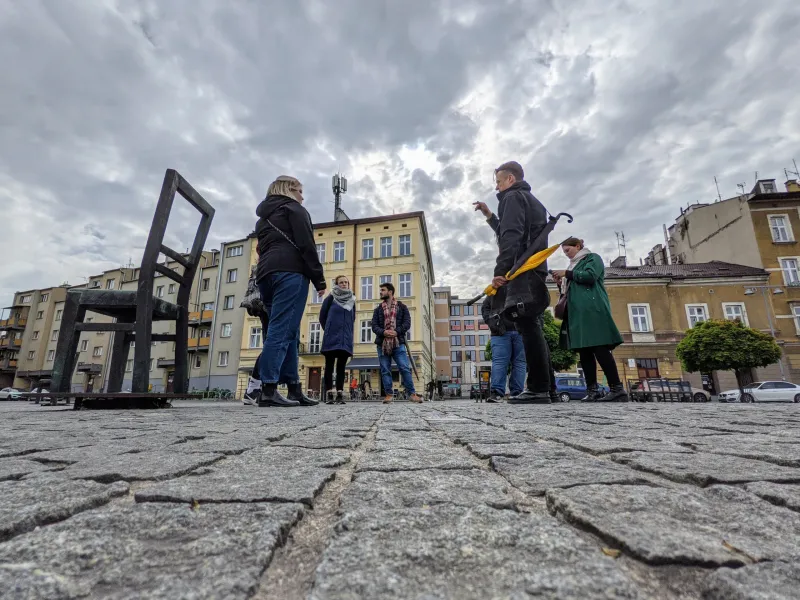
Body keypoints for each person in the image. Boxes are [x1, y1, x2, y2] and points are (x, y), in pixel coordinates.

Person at [473, 161, 552, 404]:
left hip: (520, 271)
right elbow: (510, 228)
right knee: (533, 326)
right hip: (534, 269)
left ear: (510, 179)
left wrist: (501, 272)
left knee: (528, 327)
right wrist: (489, 216)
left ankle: (538, 388)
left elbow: (511, 235)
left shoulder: (512, 198)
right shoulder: (531, 200)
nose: (496, 187)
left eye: (498, 182)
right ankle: (548, 387)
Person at [255, 175, 325, 407]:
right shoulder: (294, 210)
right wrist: (319, 279)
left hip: (266, 275)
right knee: (281, 330)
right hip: (290, 272)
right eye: (300, 191)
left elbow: (260, 249)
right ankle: (268, 389)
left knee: (290, 332)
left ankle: (293, 387)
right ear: (289, 189)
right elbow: (307, 245)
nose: (302, 197)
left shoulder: (264, 219)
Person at [551, 237, 627, 402]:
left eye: (568, 250)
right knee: (584, 352)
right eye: (564, 252)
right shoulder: (573, 266)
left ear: (578, 246)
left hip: (592, 311)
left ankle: (617, 388)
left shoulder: (593, 258)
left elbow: (591, 276)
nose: (566, 255)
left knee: (600, 348)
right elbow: (571, 290)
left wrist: (567, 274)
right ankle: (592, 390)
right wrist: (561, 282)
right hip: (577, 313)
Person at [371, 282, 423, 404]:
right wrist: (384, 332)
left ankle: (412, 394)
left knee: (404, 367)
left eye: (383, 290)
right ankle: (389, 395)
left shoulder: (402, 307)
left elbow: (407, 323)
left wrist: (396, 332)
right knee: (385, 370)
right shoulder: (378, 309)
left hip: (398, 343)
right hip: (382, 344)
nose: (380, 292)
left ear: (390, 292)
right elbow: (374, 326)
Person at [481, 288, 526, 402]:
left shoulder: (496, 288)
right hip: (509, 330)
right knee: (518, 362)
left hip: (511, 330)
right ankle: (514, 393)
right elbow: (485, 307)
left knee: (506, 362)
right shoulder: (521, 285)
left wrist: (491, 322)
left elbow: (485, 307)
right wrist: (491, 322)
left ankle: (499, 393)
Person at [319, 275, 356, 405]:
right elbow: (322, 317)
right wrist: (329, 329)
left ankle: (340, 394)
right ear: (336, 284)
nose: (344, 284)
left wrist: (347, 332)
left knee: (341, 366)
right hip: (331, 337)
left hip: (345, 338)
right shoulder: (330, 298)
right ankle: (329, 393)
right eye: (341, 282)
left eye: (346, 282)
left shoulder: (352, 300)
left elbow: (353, 319)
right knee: (329, 365)